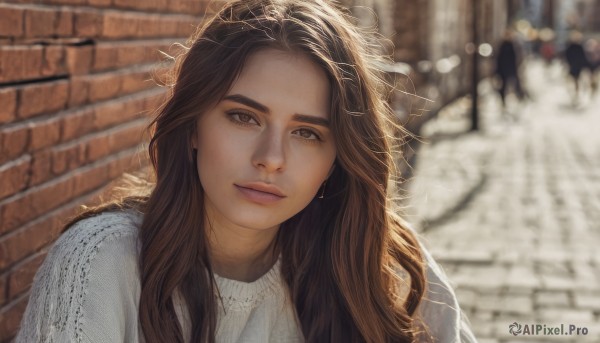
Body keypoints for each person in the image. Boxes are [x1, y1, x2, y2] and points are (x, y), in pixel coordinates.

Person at [15, 1, 476, 342]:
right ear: (193, 124)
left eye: (308, 133)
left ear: (339, 156)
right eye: (243, 117)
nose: (271, 157)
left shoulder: (378, 264)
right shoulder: (100, 265)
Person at [494, 29, 526, 109]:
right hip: (506, 69)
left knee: (515, 84)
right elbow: (499, 59)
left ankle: (520, 98)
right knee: (505, 86)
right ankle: (505, 101)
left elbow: (516, 57)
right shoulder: (504, 45)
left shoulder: (512, 45)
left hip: (510, 69)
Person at [564, 30, 591, 102]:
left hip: (577, 66)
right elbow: (567, 56)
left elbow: (583, 57)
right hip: (574, 66)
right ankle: (575, 93)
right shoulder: (571, 47)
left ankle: (577, 93)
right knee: (573, 80)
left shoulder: (578, 47)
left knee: (577, 80)